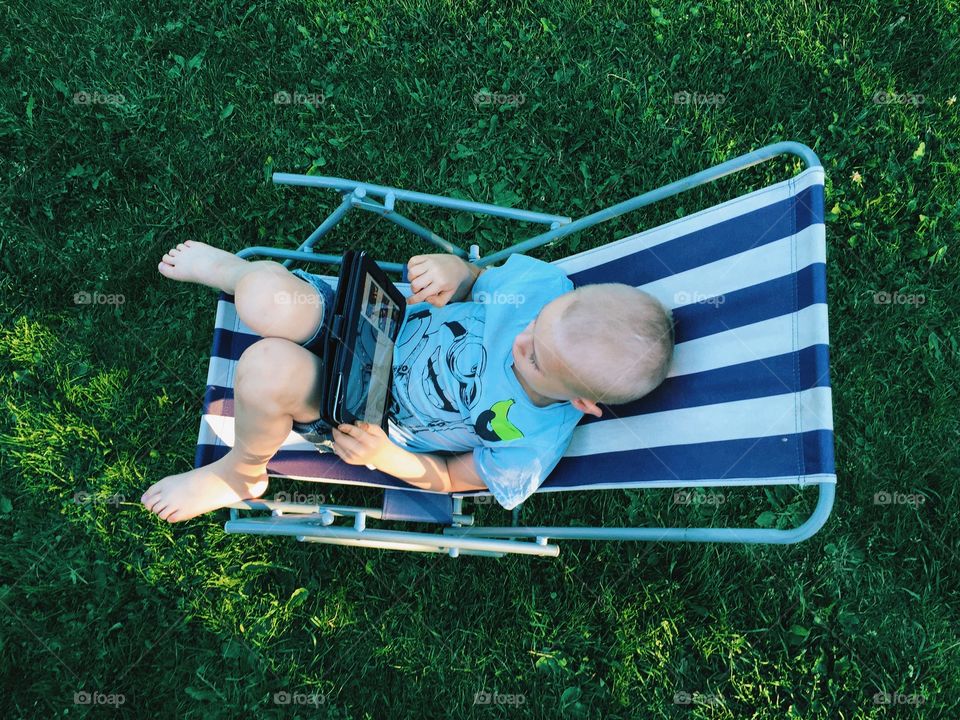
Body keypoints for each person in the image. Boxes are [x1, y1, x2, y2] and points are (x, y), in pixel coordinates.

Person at [141, 241, 674, 522]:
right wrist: (456, 273)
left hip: (361, 406)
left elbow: (449, 480)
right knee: (265, 298)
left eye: (534, 360)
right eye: (536, 324)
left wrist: (385, 456)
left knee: (263, 367)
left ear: (582, 401)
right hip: (376, 322)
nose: (521, 338)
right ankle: (238, 273)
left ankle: (242, 472)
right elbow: (480, 281)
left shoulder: (529, 443)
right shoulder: (543, 290)